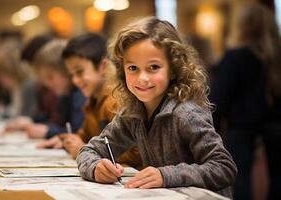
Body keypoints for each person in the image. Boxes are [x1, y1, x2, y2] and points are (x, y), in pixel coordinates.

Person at [76, 17, 237, 198]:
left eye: (153, 67)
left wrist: (165, 175)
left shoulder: (186, 114)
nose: (142, 78)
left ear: (174, 68)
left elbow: (224, 167)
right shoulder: (132, 113)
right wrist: (96, 167)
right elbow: (89, 150)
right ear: (122, 71)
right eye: (133, 68)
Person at [39, 33, 142, 169]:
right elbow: (85, 135)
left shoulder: (115, 102)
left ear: (102, 67)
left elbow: (137, 154)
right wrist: (64, 139)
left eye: (80, 72)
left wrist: (83, 149)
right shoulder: (92, 101)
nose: (75, 80)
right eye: (72, 75)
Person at [210, 3, 281, 200]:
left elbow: (217, 100)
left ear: (242, 26)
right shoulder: (277, 57)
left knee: (240, 183)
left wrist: (209, 134)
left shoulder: (235, 57)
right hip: (276, 128)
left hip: (242, 130)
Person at [7, 39, 86, 143]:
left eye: (51, 77)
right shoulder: (64, 95)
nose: (47, 84)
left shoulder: (80, 95)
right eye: (44, 79)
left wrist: (47, 131)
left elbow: (77, 132)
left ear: (67, 71)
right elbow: (58, 122)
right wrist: (33, 122)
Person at [0, 39, 37, 118]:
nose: (1, 81)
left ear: (12, 72)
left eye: (3, 76)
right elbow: (15, 110)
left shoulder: (28, 86)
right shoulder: (16, 87)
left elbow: (25, 115)